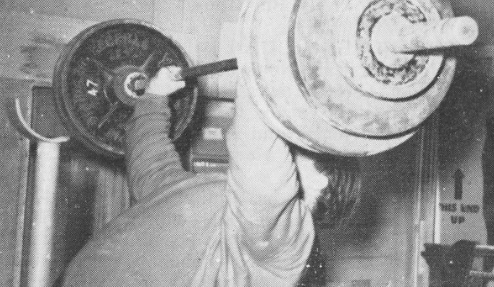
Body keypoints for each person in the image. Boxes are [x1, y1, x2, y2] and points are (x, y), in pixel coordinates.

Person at [61, 66, 359, 287]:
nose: (286, 157)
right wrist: (153, 98)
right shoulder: (220, 196)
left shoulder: (287, 246)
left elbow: (265, 179)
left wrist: (266, 70)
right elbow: (154, 175)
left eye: (295, 165)